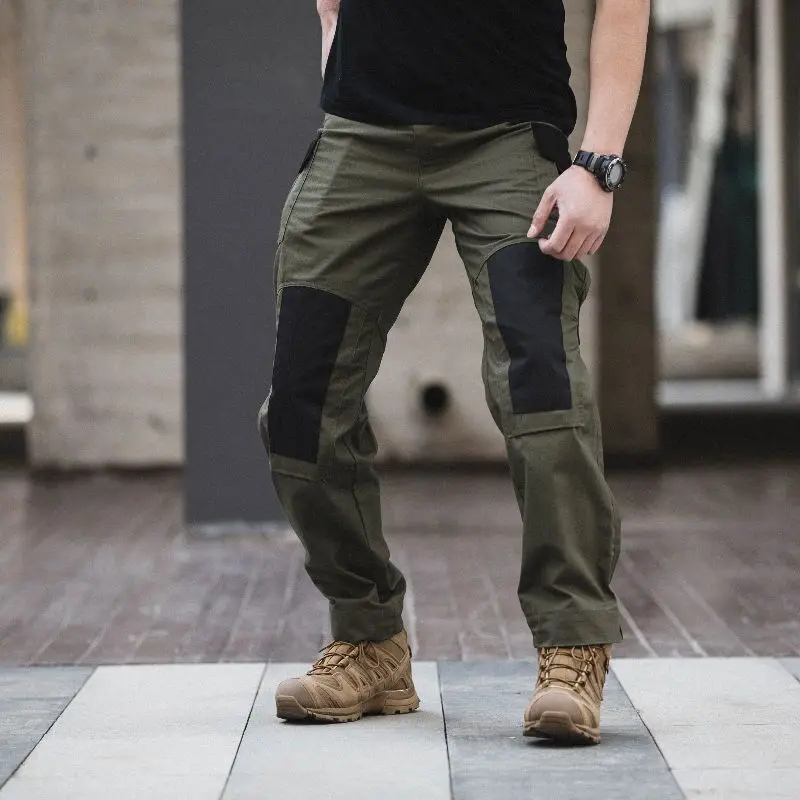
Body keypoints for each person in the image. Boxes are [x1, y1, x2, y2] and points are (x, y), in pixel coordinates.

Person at [258, 0, 649, 745]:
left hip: (508, 138)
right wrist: (338, 42)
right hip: (362, 138)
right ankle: (370, 640)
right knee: (301, 405)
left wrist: (597, 164)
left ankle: (573, 646)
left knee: (540, 385)